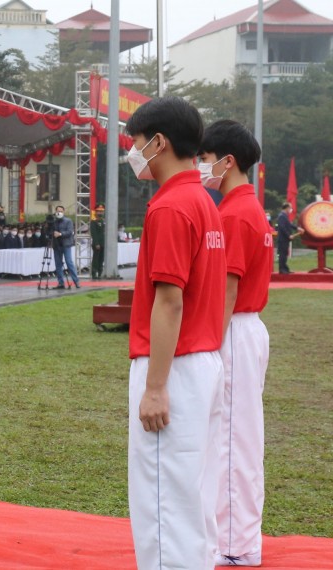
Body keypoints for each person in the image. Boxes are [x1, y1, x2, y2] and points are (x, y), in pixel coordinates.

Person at [124, 96, 226, 570]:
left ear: (158, 143)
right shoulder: (205, 201)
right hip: (201, 360)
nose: (134, 153)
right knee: (189, 496)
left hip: (174, 367)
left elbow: (169, 299)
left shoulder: (170, 206)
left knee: (163, 504)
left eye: (137, 144)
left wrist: (155, 387)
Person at [198, 119, 273, 567]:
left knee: (229, 439)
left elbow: (226, 287)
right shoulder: (250, 207)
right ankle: (239, 537)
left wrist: (209, 341)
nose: (200, 167)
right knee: (239, 436)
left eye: (205, 159)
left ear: (227, 162)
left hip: (233, 328)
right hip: (247, 327)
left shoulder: (232, 213)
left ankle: (233, 544)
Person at [51, 206, 80, 289]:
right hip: (57, 245)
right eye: (57, 211)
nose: (59, 212)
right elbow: (50, 231)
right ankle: (61, 282)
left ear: (64, 212)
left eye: (61, 211)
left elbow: (70, 232)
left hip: (66, 244)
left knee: (69, 262)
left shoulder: (68, 221)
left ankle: (76, 281)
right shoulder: (54, 221)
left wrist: (60, 234)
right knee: (58, 264)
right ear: (55, 211)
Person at [275, 202, 303, 273]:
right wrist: (288, 235)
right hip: (282, 239)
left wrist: (297, 228)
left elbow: (289, 224)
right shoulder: (281, 216)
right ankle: (282, 269)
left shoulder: (285, 216)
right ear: (287, 208)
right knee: (282, 254)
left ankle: (285, 269)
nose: (291, 209)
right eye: (290, 208)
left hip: (285, 239)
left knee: (284, 254)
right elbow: (282, 227)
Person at [91, 204, 106, 279]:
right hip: (97, 243)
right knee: (96, 259)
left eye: (102, 211)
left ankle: (100, 272)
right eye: (98, 211)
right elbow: (94, 233)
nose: (100, 213)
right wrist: (96, 243)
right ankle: (94, 273)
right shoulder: (94, 221)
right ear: (96, 212)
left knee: (101, 259)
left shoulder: (104, 220)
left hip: (103, 243)